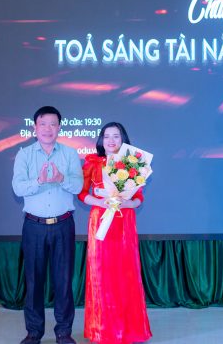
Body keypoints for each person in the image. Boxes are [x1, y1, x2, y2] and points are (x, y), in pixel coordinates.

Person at [12, 106, 83, 344]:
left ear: (59, 127)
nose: (48, 129)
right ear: (35, 128)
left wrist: (61, 179)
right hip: (34, 226)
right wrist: (39, 180)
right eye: (43, 124)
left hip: (63, 224)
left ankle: (63, 332)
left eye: (53, 124)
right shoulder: (24, 155)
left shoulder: (70, 154)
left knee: (63, 281)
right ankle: (34, 333)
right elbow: (18, 188)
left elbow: (78, 186)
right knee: (33, 282)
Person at [78, 122, 152, 344]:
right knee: (102, 274)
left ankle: (128, 331)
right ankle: (102, 330)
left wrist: (127, 203)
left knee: (125, 274)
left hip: (124, 222)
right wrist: (101, 201)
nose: (111, 140)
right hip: (100, 221)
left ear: (123, 139)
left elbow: (138, 198)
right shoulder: (92, 163)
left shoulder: (131, 164)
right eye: (107, 136)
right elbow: (81, 193)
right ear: (101, 140)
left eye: (116, 136)